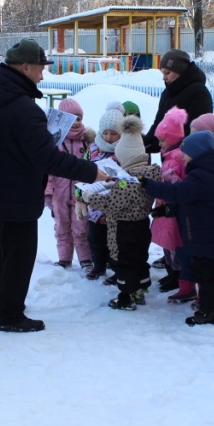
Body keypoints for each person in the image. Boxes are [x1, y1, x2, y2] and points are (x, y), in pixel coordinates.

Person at [0, 38, 107, 333]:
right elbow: (48, 159)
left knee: (0, 252)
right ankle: (10, 315)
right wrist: (91, 171)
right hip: (17, 195)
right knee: (18, 257)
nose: (43, 75)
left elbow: (7, 142)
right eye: (40, 68)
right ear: (25, 66)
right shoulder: (23, 108)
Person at [141, 130, 214, 325]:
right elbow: (189, 202)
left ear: (198, 153)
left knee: (205, 275)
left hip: (205, 235)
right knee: (207, 274)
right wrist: (166, 212)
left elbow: (179, 192)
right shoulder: (203, 172)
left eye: (186, 152)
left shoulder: (203, 175)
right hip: (202, 233)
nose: (183, 156)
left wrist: (150, 185)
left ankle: (207, 311)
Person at [84, 116, 161, 309]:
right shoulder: (150, 174)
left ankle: (126, 298)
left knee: (123, 262)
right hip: (142, 225)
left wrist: (89, 197)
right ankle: (140, 292)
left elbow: (112, 204)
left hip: (123, 228)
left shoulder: (126, 181)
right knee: (139, 259)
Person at [45, 97, 94, 270]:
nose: (75, 123)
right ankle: (64, 258)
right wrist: (48, 191)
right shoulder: (55, 141)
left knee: (81, 227)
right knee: (62, 227)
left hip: (80, 193)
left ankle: (85, 259)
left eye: (78, 119)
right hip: (59, 192)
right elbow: (48, 168)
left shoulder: (87, 140)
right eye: (71, 119)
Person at [80, 105, 124, 280]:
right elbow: (82, 173)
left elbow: (127, 180)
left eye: (113, 133)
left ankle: (116, 268)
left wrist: (117, 185)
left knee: (115, 240)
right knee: (95, 238)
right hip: (94, 204)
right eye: (105, 133)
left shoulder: (123, 151)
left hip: (115, 205)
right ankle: (98, 265)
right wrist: (80, 196)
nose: (108, 137)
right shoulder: (93, 150)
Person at [149, 107, 189, 296]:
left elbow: (179, 185)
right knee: (166, 244)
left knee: (174, 245)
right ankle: (172, 274)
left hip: (172, 209)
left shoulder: (178, 158)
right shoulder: (168, 157)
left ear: (173, 138)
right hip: (164, 206)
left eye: (163, 140)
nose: (160, 144)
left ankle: (178, 276)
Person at [143, 49, 213, 153]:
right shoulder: (167, 93)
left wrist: (176, 149)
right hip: (169, 159)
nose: (164, 78)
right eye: (162, 73)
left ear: (180, 71)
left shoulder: (199, 93)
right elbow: (159, 125)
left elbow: (198, 130)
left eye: (167, 73)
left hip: (188, 158)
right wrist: (143, 146)